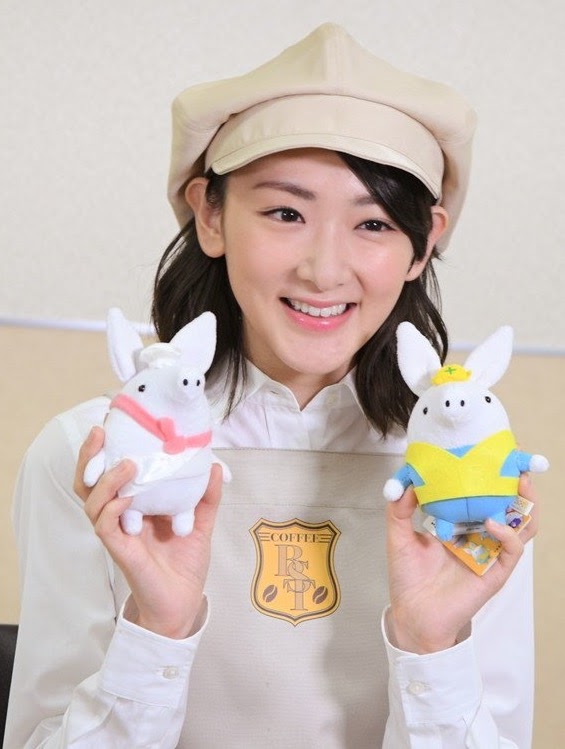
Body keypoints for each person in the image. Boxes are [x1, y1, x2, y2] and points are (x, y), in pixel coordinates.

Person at [5, 23, 538, 748]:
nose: (324, 269)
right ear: (210, 214)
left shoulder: (468, 476)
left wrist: (429, 644)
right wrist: (156, 628)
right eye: (286, 212)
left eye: (374, 223)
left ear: (424, 244)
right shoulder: (93, 457)